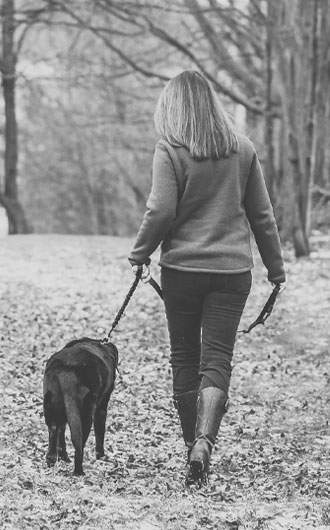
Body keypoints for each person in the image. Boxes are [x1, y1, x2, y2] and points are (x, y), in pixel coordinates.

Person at [128, 70, 286, 488]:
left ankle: (190, 449)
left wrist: (140, 253)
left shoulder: (171, 150)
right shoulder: (243, 150)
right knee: (217, 359)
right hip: (232, 272)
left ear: (174, 107)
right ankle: (204, 443)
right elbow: (263, 217)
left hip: (181, 271)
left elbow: (160, 210)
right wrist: (276, 269)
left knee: (185, 358)